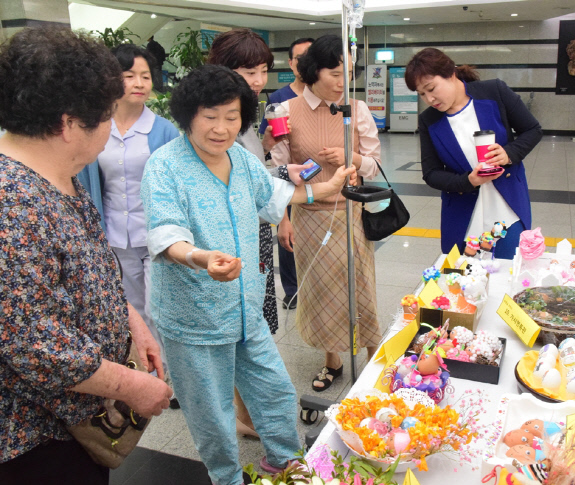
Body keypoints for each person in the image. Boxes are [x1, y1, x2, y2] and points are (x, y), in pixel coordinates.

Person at [140, 64, 356, 485]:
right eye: (210, 116)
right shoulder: (164, 166)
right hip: (194, 316)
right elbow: (167, 234)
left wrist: (322, 190)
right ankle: (226, 477)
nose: (221, 128)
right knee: (212, 410)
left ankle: (286, 459)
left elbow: (273, 196)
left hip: (244, 305)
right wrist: (201, 259)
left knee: (274, 389)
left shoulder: (240, 157)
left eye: (232, 116)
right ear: (188, 116)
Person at [0, 27, 172, 484]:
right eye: (106, 116)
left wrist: (131, 319)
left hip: (74, 420)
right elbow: (34, 344)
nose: (112, 128)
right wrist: (134, 386)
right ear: (67, 123)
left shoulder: (60, 176)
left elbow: (89, 267)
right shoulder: (13, 202)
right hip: (36, 440)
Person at [270, 34, 382, 392]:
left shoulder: (357, 108)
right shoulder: (285, 111)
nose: (342, 83)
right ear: (312, 71)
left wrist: (352, 159)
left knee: (359, 286)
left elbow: (375, 166)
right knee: (320, 293)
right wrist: (308, 176)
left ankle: (372, 353)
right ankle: (331, 359)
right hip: (309, 217)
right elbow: (278, 173)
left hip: (350, 215)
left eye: (347, 74)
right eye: (335, 74)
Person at [79, 44, 179, 383]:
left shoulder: (163, 130)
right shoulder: (96, 125)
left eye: (146, 76)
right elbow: (88, 180)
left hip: (155, 234)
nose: (140, 82)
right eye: (129, 75)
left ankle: (175, 375)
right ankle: (150, 374)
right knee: (132, 311)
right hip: (114, 233)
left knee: (158, 309)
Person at [207, 28, 285, 439]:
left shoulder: (246, 114)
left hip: (255, 231)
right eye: (249, 70)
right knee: (238, 324)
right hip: (230, 238)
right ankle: (241, 415)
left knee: (253, 321)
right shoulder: (218, 120)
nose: (258, 80)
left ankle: (245, 410)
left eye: (262, 71)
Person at [405, 48, 542, 258]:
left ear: (451, 74)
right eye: (422, 94)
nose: (429, 99)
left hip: (507, 206)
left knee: (507, 270)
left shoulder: (494, 92)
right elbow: (431, 173)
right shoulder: (429, 120)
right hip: (463, 211)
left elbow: (532, 130)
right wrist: (468, 181)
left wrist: (509, 153)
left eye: (431, 88)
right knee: (465, 279)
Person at [260, 37, 314, 311]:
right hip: (288, 182)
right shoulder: (279, 98)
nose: (305, 63)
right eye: (299, 58)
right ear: (291, 63)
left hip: (320, 183)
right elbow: (265, 148)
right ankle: (292, 290)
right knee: (288, 237)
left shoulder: (328, 98)